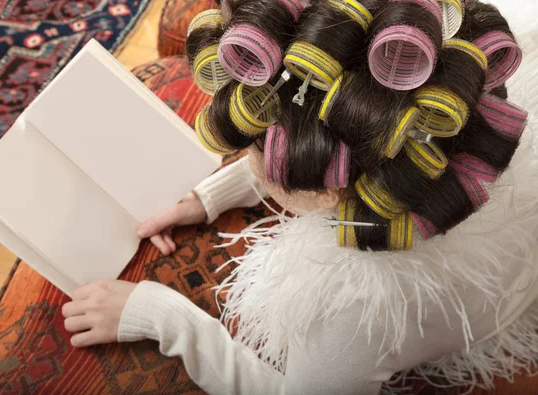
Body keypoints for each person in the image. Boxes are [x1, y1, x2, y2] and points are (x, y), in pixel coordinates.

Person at [61, 0, 538, 393]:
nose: (247, 161)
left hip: (493, 317)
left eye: (253, 150)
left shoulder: (352, 310)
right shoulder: (454, 109)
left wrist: (161, 316)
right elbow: (330, 140)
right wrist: (206, 198)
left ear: (325, 185)